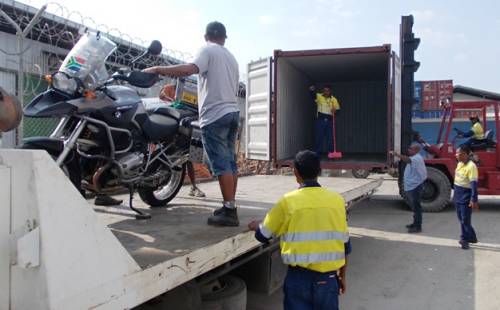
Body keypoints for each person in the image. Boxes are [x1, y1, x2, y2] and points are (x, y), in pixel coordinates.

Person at [144, 21, 240, 226]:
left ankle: (229, 211)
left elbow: (190, 69)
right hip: (232, 113)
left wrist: (158, 69)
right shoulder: (231, 58)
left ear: (206, 36)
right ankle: (229, 205)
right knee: (230, 162)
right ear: (224, 38)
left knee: (221, 163)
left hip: (215, 115)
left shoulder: (207, 50)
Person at [248, 150, 351, 310]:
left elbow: (263, 235)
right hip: (329, 279)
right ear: (319, 171)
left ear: (295, 172)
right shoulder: (337, 201)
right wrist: (342, 277)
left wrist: (258, 226)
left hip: (298, 279)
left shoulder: (288, 202)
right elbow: (345, 245)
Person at [158, 84, 206, 198]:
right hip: (179, 124)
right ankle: (161, 183)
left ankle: (193, 186)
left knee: (189, 157)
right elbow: (162, 98)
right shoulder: (171, 88)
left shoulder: (198, 87)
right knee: (171, 154)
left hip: (190, 125)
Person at [390, 144, 427, 233]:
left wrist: (396, 154)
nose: (409, 150)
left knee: (417, 207)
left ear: (416, 150)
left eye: (411, 149)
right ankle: (415, 223)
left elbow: (407, 159)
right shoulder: (415, 157)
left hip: (416, 187)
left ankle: (418, 227)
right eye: (409, 148)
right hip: (413, 186)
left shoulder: (416, 158)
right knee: (414, 207)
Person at [453, 145, 479, 250]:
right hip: (457, 195)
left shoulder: (471, 167)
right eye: (456, 153)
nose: (456, 155)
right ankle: (472, 237)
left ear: (465, 154)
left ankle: (464, 239)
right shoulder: (459, 163)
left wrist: (474, 200)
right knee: (461, 219)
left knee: (465, 220)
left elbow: (474, 185)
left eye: (458, 153)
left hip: (465, 196)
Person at [309, 85, 340, 156]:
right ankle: (317, 154)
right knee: (318, 137)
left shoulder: (334, 99)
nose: (326, 92)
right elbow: (313, 96)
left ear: (330, 91)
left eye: (327, 91)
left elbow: (338, 111)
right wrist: (311, 90)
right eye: (324, 90)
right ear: (323, 91)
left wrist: (335, 111)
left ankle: (331, 154)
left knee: (330, 138)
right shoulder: (319, 96)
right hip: (320, 121)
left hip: (329, 121)